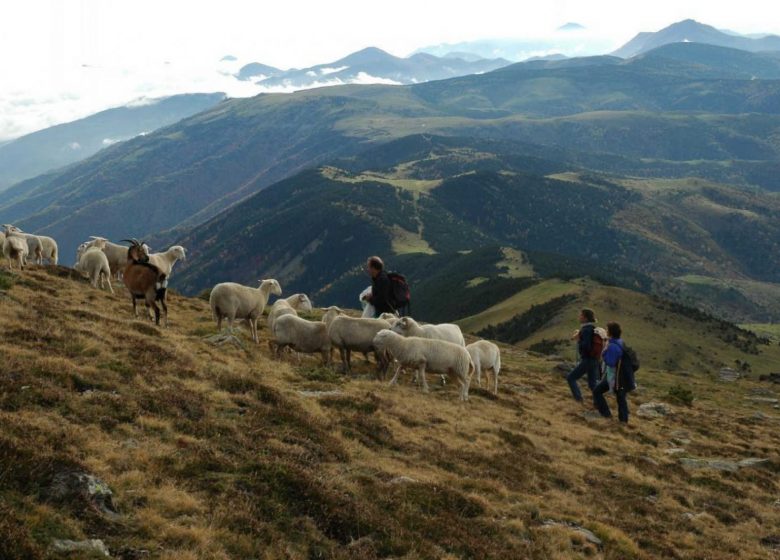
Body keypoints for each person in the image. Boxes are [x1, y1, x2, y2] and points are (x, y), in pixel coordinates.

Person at [592, 321, 631, 423]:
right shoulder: (620, 341)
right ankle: (623, 421)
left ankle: (607, 414)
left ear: (611, 332)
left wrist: (604, 353)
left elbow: (611, 362)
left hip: (615, 377)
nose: (606, 331)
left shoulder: (613, 345)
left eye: (607, 329)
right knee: (621, 398)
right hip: (622, 375)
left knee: (597, 392)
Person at [566, 308, 600, 403]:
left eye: (581, 315)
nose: (579, 317)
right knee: (592, 384)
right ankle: (599, 402)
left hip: (588, 359)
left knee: (571, 378)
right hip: (594, 359)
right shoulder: (592, 328)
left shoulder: (586, 330)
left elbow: (586, 346)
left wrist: (579, 340)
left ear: (585, 318)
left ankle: (578, 400)